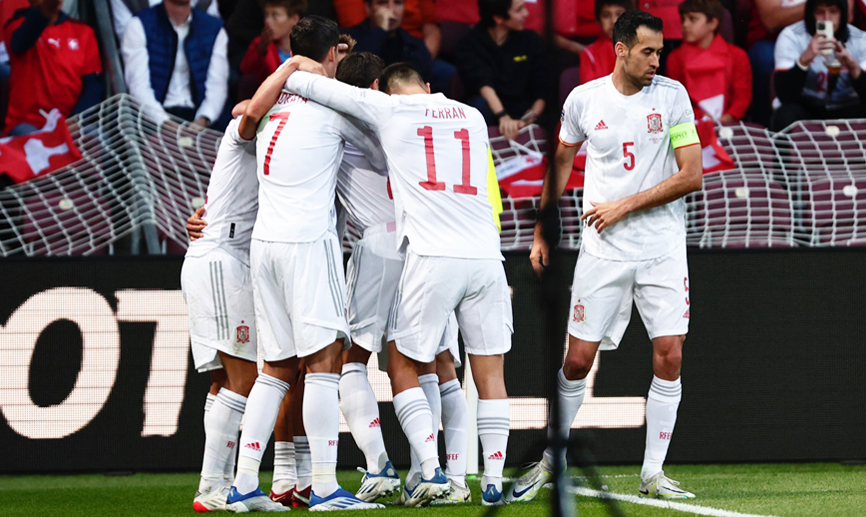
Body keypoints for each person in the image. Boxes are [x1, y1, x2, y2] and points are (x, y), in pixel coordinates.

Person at [283, 60, 514, 506]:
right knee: (485, 373)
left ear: (382, 93)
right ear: (427, 86)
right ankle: (487, 481)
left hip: (430, 255)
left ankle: (425, 471)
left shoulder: (389, 112)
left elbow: (313, 89)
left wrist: (296, 66)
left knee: (401, 361)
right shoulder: (472, 115)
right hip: (487, 254)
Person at [506, 10, 703, 503]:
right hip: (604, 249)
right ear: (620, 49)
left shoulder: (673, 97)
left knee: (671, 355)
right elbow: (562, 161)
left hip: (661, 247)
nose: (657, 60)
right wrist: (541, 231)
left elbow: (691, 174)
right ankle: (555, 458)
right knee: (577, 360)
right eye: (647, 51)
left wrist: (626, 205)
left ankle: (653, 473)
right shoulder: (583, 100)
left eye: (661, 51)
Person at [226, 15, 385, 512]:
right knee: (323, 362)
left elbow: (245, 118)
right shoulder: (331, 112)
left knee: (274, 368)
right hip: (306, 245)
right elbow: (383, 155)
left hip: (264, 245)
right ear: (333, 54)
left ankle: (245, 484)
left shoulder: (269, 108)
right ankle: (323, 487)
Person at [180, 99, 261, 513]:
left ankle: (219, 485)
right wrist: (296, 70)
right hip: (221, 258)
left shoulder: (281, 141)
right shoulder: (248, 129)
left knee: (222, 382)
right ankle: (212, 486)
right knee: (245, 378)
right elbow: (244, 111)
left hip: (225, 258)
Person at [121, 0, 228, 128]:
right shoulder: (138, 25)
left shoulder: (214, 28)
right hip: (154, 120)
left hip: (201, 118)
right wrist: (165, 123)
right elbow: (138, 87)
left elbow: (217, 87)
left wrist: (202, 120)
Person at [3, 0, 103, 136]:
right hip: (27, 124)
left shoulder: (83, 32)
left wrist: (76, 119)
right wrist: (44, 12)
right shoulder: (15, 25)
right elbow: (19, 43)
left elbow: (93, 85)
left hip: (71, 124)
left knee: (102, 142)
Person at [454, 0, 549, 140]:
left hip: (526, 112)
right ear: (498, 18)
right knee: (477, 107)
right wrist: (503, 117)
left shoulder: (531, 41)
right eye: (519, 10)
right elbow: (483, 84)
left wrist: (531, 115)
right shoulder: (468, 44)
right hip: (493, 111)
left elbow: (543, 87)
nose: (526, 13)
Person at [772, 0, 866, 130]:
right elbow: (785, 95)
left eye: (833, 12)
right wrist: (804, 60)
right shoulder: (792, 36)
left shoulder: (860, 39)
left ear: (842, 13)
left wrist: (853, 67)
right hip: (808, 106)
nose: (827, 19)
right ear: (810, 14)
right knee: (785, 114)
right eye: (820, 12)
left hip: (847, 106)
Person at [667, 0, 752, 123]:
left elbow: (742, 95)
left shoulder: (737, 55)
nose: (685, 25)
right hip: (692, 123)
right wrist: (702, 117)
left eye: (693, 19)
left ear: (713, 23)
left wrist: (729, 117)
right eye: (683, 20)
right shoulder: (674, 59)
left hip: (730, 125)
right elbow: (677, 101)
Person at [342, 0, 433, 85]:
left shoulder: (413, 45)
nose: (391, 10)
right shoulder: (348, 38)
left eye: (397, 3)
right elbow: (356, 71)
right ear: (368, 8)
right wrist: (380, 31)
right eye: (382, 2)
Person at [240, 0, 306, 84]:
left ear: (295, 19)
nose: (267, 21)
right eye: (266, 15)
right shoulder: (262, 44)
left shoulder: (307, 46)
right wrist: (261, 48)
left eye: (275, 15)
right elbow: (247, 70)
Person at [580, 0, 632, 84]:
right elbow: (588, 93)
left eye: (619, 15)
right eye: (606, 16)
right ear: (598, 21)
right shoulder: (589, 54)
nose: (613, 21)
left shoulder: (638, 49)